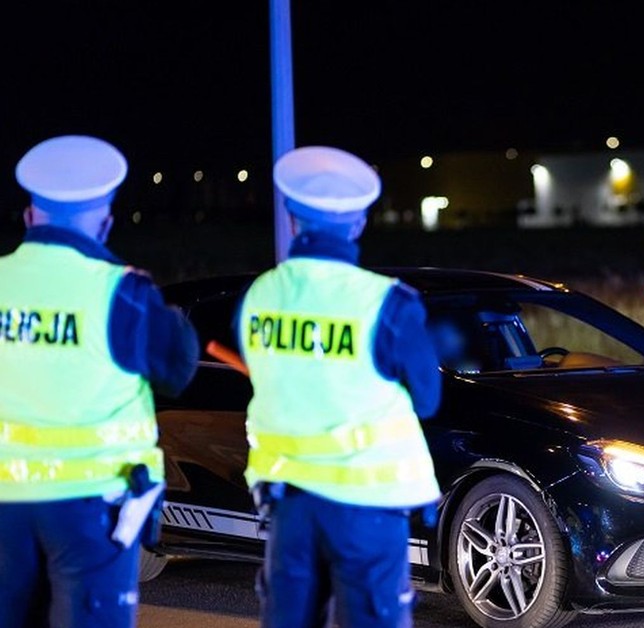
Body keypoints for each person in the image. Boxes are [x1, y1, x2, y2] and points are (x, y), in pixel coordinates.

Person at [233, 145, 443, 628]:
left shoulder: (258, 295)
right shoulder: (387, 302)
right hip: (368, 508)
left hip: (289, 504)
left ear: (292, 220)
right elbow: (428, 399)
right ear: (359, 223)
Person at [0, 135, 199, 626]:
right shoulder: (122, 294)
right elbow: (178, 368)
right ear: (106, 221)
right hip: (93, 512)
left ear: (29, 215)